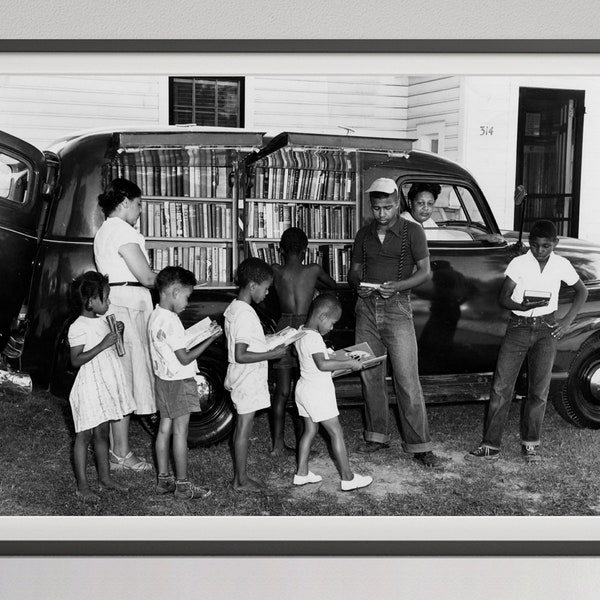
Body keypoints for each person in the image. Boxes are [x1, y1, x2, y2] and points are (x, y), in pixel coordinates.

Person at [465, 219, 588, 463]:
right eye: (534, 245)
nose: (540, 251)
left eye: (545, 246)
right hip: (519, 328)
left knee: (539, 390)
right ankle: (491, 446)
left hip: (546, 329)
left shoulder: (562, 264)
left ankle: (530, 445)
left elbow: (581, 291)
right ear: (529, 243)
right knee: (502, 387)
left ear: (555, 244)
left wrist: (566, 322)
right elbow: (504, 298)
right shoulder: (519, 262)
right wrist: (521, 305)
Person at [347, 177, 443, 467]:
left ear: (397, 204)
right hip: (366, 309)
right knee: (371, 375)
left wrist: (399, 286)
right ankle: (377, 437)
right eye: (377, 208)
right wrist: (357, 285)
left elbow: (425, 273)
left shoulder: (413, 232)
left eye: (387, 208)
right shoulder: (363, 234)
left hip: (398, 309)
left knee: (406, 378)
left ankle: (419, 446)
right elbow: (354, 271)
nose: (382, 214)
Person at [94, 178, 156, 472]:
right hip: (128, 306)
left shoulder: (104, 231)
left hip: (115, 303)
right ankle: (121, 454)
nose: (140, 209)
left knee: (119, 377)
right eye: (139, 203)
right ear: (125, 203)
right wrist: (173, 278)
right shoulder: (123, 231)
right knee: (127, 379)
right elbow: (147, 277)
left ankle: (115, 450)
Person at [147, 266, 222, 499]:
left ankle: (164, 481)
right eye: (187, 297)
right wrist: (210, 338)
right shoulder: (171, 321)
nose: (187, 303)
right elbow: (185, 357)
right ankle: (182, 485)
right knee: (181, 433)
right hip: (179, 382)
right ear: (175, 291)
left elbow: (173, 347)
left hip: (163, 380)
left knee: (164, 429)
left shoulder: (156, 315)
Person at [293, 294, 373, 491]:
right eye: (332, 322)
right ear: (322, 316)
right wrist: (350, 362)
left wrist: (331, 356)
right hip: (318, 392)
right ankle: (348, 477)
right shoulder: (314, 337)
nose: (332, 327)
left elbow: (314, 360)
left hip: (304, 388)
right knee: (336, 432)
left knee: (310, 430)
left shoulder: (302, 332)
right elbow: (322, 364)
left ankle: (302, 473)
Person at [67, 271, 134, 503]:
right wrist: (103, 344)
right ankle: (82, 486)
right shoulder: (77, 326)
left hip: (105, 383)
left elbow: (115, 351)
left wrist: (118, 336)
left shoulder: (105, 322)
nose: (108, 302)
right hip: (88, 387)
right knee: (84, 436)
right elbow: (76, 360)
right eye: (105, 298)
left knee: (102, 433)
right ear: (89, 301)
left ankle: (105, 479)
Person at [270, 227, 336, 456]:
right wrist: (314, 289)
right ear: (305, 251)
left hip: (284, 328)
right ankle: (302, 441)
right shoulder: (313, 269)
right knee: (306, 384)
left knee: (281, 391)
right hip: (306, 327)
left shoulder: (275, 270)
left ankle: (277, 445)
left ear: (280, 250)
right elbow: (333, 286)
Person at [223, 258, 287, 491]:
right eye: (266, 288)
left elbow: (246, 345)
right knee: (243, 428)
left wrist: (267, 344)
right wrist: (272, 354)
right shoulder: (245, 314)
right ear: (252, 286)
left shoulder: (235, 307)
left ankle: (240, 477)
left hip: (243, 376)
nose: (267, 293)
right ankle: (241, 480)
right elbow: (241, 354)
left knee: (243, 427)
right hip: (246, 378)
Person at [401, 182, 504, 243]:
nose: (426, 208)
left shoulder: (428, 222)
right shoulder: (404, 223)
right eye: (420, 203)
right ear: (410, 203)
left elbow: (451, 239)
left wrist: (482, 237)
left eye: (430, 203)